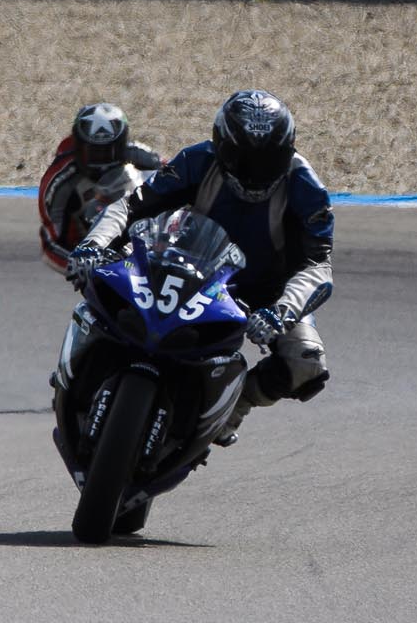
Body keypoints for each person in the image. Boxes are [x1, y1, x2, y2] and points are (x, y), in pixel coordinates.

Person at [66, 89, 333, 446]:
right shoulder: (198, 160)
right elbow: (130, 207)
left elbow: (318, 265)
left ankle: (234, 407)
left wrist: (281, 311)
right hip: (192, 263)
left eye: (268, 161)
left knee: (307, 364)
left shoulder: (307, 189)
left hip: (268, 293)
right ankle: (76, 371)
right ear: (221, 146)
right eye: (243, 159)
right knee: (105, 285)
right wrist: (92, 245)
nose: (255, 174)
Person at [37, 102, 163, 275]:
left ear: (121, 144)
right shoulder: (59, 181)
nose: (102, 160)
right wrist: (80, 266)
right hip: (89, 251)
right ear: (79, 146)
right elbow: (50, 242)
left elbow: (178, 179)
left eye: (109, 151)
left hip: (145, 240)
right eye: (94, 151)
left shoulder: (143, 157)